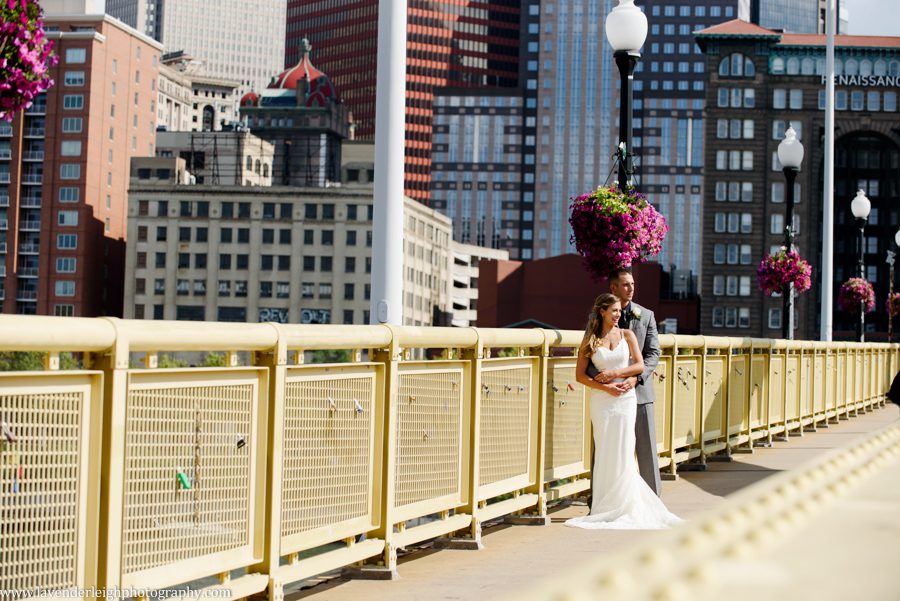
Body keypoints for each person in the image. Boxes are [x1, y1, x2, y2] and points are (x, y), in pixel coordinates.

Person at [566, 293, 682, 530]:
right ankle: (604, 506)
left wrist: (619, 376)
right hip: (602, 401)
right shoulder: (590, 339)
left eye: (619, 311)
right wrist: (605, 386)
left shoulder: (627, 335)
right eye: (614, 311)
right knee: (606, 449)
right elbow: (580, 375)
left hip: (626, 399)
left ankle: (626, 503)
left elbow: (639, 365)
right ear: (602, 312)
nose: (618, 315)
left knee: (624, 449)